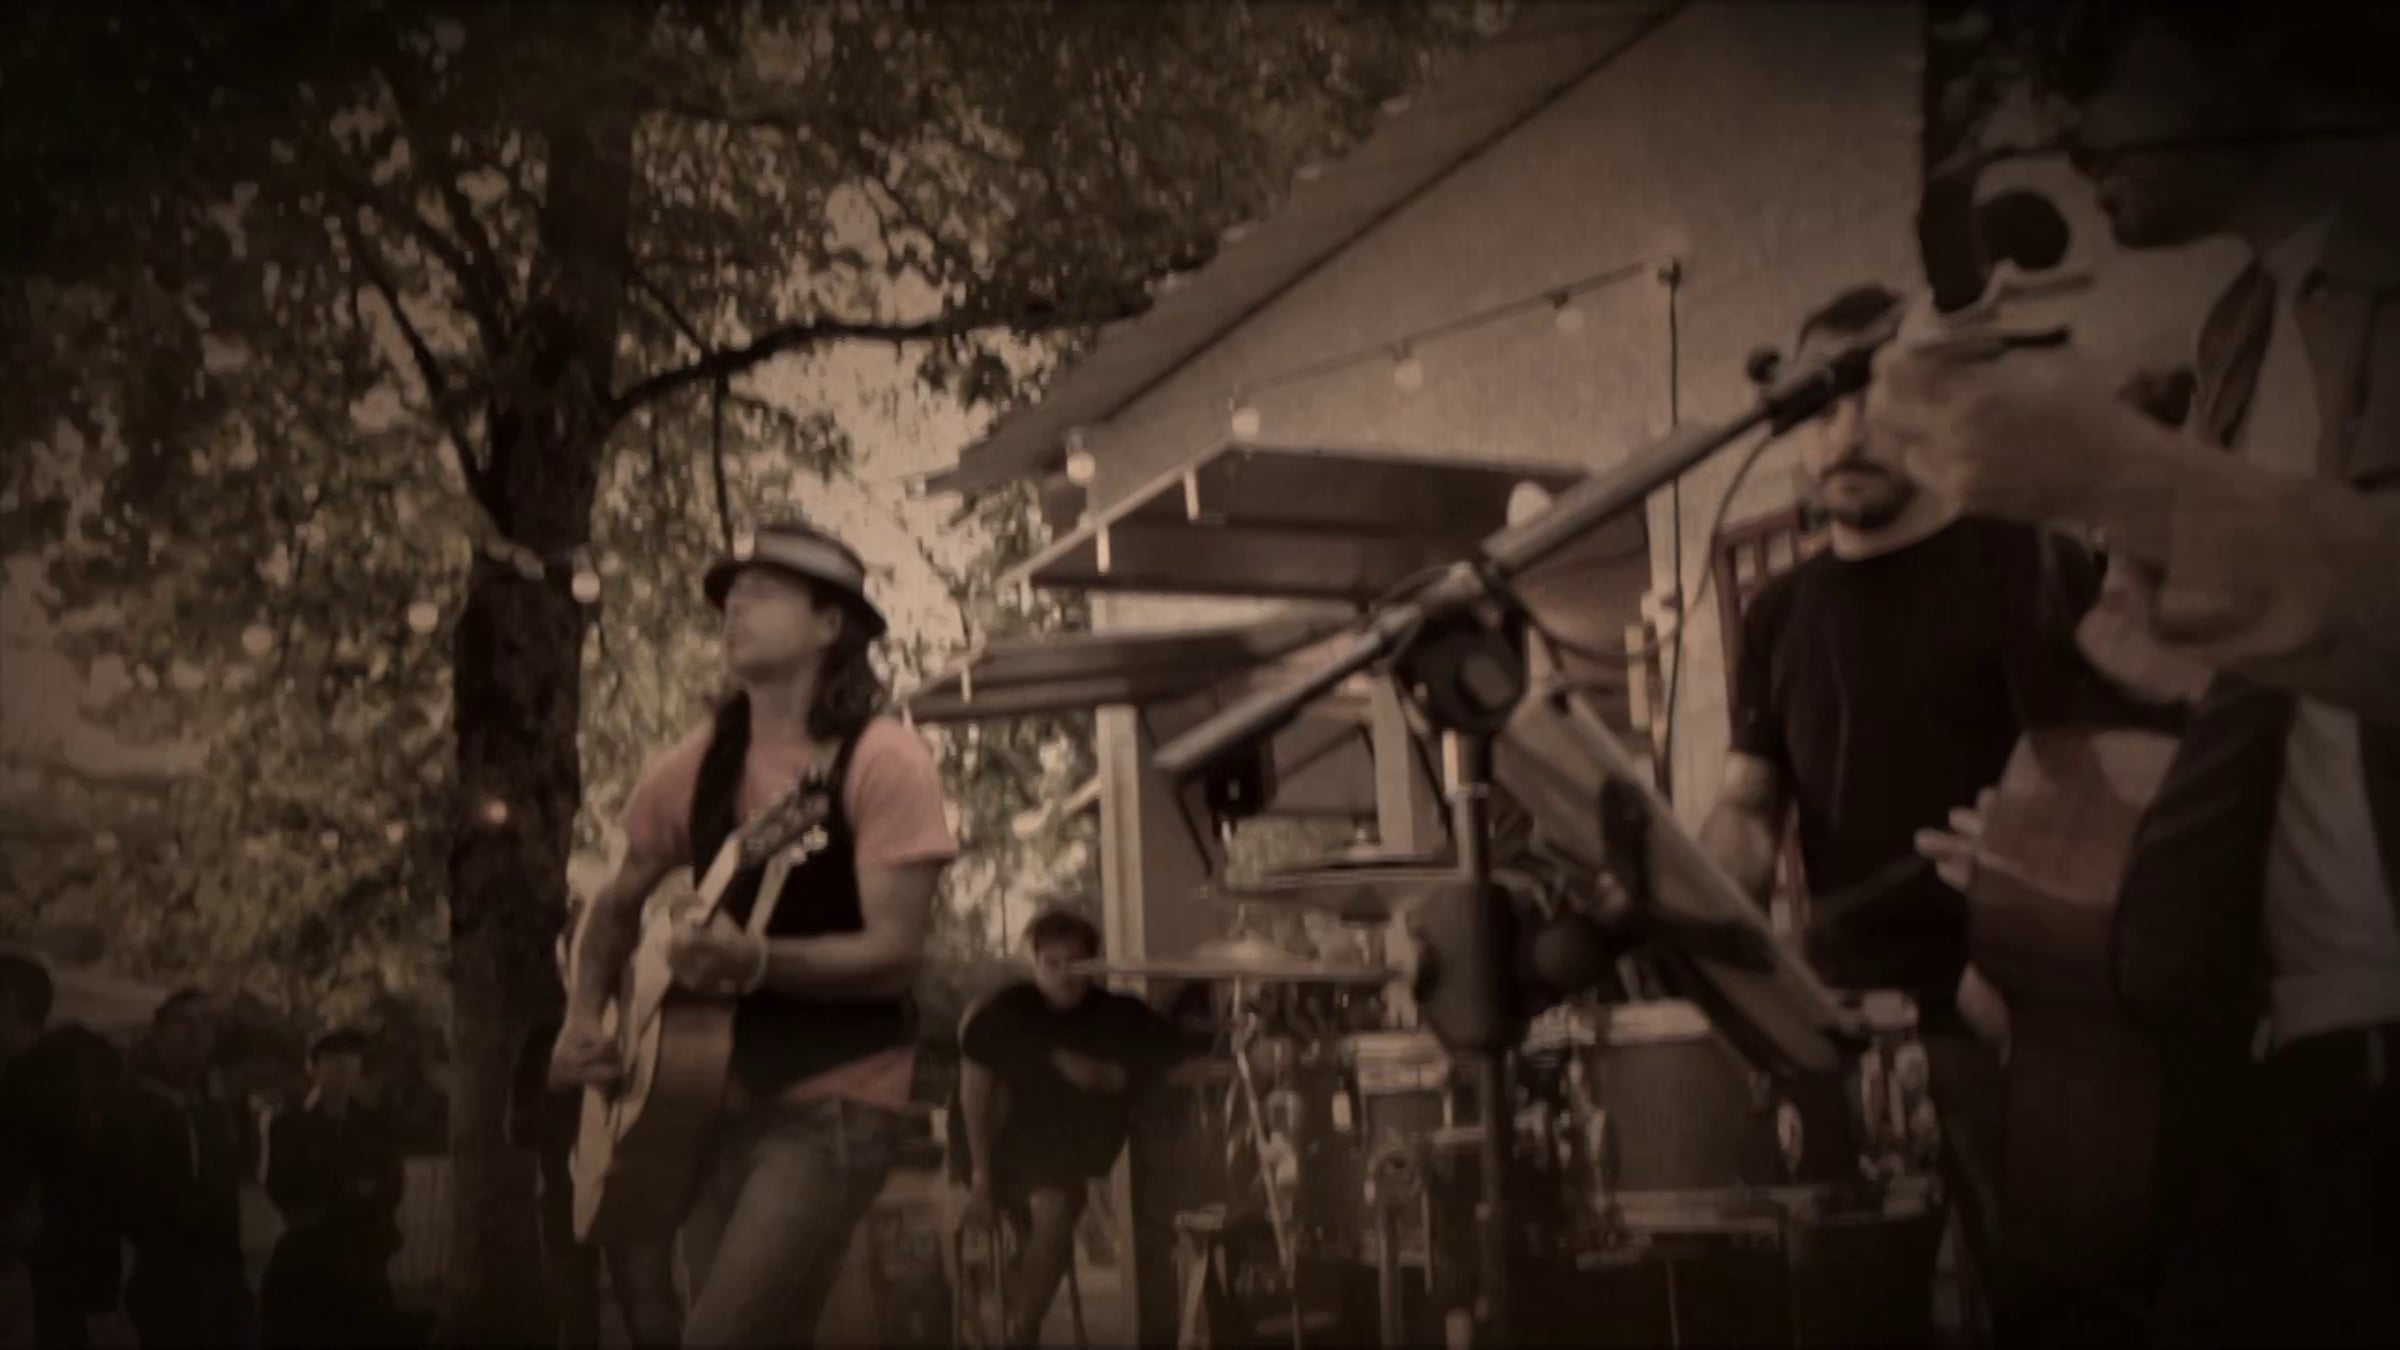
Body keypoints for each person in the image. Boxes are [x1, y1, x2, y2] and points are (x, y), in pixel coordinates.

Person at [1870, 6, 2400, 1344]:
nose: (2056, 122)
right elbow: (2231, 663)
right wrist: (2059, 850)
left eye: (2085, 55)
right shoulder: (2244, 327)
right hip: (2281, 1049)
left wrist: (2124, 474)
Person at [1697, 283, 2174, 1345]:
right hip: (1840, 1030)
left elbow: (2111, 785)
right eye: (1821, 405)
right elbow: (1747, 804)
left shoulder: (2028, 564)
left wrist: (2024, 854)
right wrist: (1694, 895)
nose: (1847, 432)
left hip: (2011, 1029)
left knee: (2050, 1314)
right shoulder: (1776, 615)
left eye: (1876, 398)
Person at [551, 517, 958, 1347]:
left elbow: (894, 955)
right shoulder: (699, 762)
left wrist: (759, 961)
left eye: (763, 593)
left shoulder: (885, 760)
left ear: (831, 623)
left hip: (835, 1101)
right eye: (730, 597)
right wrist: (583, 1015)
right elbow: (616, 900)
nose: (734, 609)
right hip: (703, 1106)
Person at [956, 908, 1199, 1347]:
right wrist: (980, 1177)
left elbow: (1174, 1054)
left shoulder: (1117, 1014)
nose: (1064, 975)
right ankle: (1021, 1329)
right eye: (1052, 963)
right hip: (992, 1149)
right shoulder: (1009, 1011)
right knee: (1052, 1210)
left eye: (1076, 963)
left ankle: (1018, 1320)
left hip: (1061, 1156)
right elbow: (973, 1092)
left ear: (1095, 965)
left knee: (1055, 1209)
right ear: (1034, 963)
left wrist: (1114, 1076)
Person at [112, 989, 253, 1348]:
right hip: (162, 1282)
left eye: (206, 1022)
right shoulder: (132, 1103)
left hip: (221, 1280)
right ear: (158, 1029)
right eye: (183, 1022)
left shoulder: (215, 1107)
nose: (196, 1032)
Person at [260, 1028, 404, 1346]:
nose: (343, 1065)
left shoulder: (377, 1125)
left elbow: (390, 1188)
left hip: (364, 1256)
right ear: (313, 1066)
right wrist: (347, 1189)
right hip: (308, 1259)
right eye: (332, 1056)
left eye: (352, 1056)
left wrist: (347, 1195)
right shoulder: (288, 1126)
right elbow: (282, 1188)